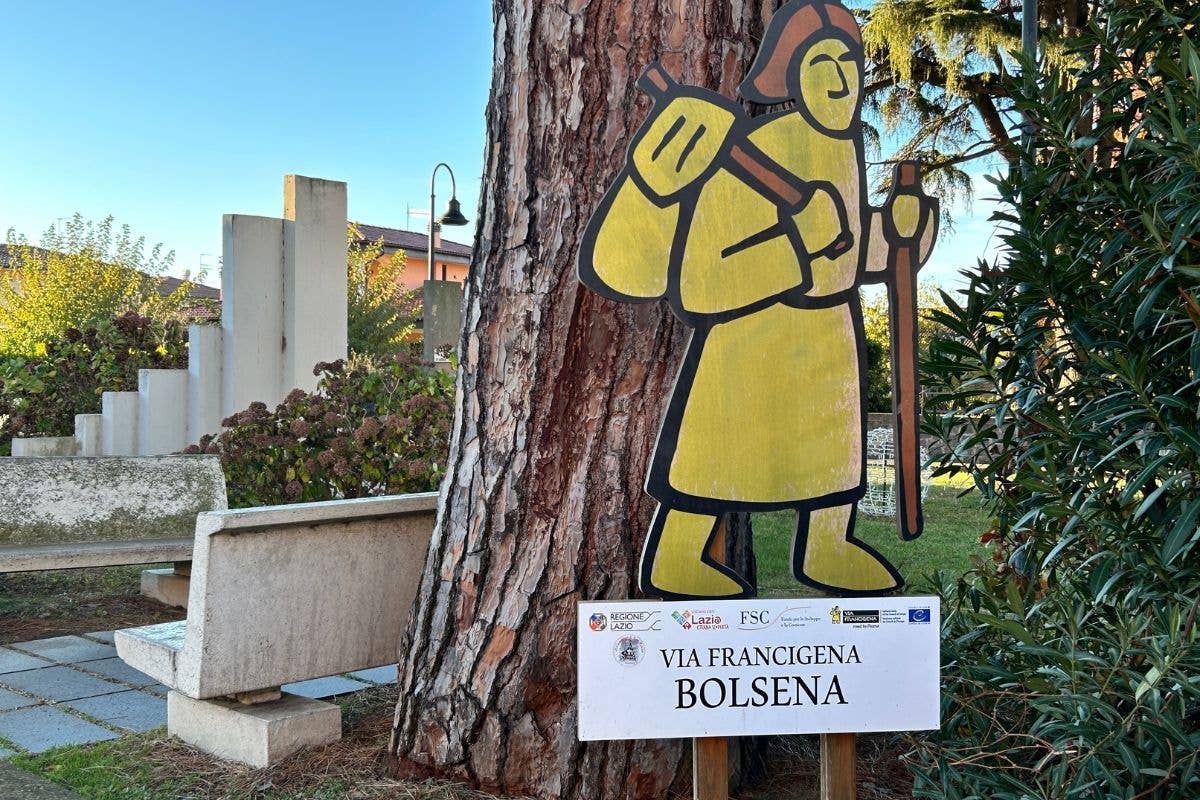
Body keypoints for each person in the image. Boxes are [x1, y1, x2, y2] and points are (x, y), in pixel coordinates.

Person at [578, 0, 936, 598]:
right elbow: (700, 280)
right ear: (794, 76)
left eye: (848, 63)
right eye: (822, 64)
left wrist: (899, 235)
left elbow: (846, 250)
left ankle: (827, 546)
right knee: (718, 456)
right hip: (750, 342)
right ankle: (677, 554)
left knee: (830, 455)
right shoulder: (750, 154)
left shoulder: (844, 147)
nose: (841, 80)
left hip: (826, 339)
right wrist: (796, 243)